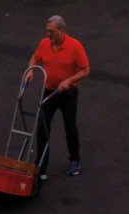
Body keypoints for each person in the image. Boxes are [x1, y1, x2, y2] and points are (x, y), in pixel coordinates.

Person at [25, 14, 89, 179]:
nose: (48, 34)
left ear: (61, 30)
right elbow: (35, 57)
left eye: (51, 31)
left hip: (68, 94)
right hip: (49, 92)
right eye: (47, 31)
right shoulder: (44, 43)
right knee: (42, 128)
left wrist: (69, 81)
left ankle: (74, 160)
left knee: (70, 128)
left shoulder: (75, 46)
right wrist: (31, 70)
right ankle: (41, 165)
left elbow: (85, 70)